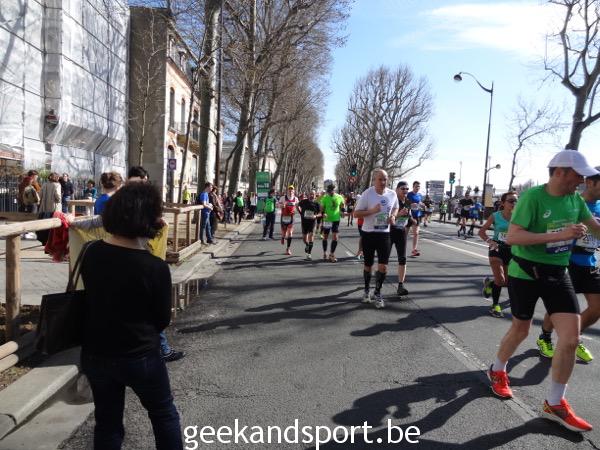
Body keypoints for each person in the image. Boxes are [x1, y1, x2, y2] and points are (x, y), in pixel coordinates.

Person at [487, 149, 600, 433]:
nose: (582, 181)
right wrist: (560, 235)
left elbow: (595, 228)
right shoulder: (533, 198)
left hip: (558, 273)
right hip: (525, 273)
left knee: (571, 339)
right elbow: (513, 237)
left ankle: (555, 402)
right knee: (521, 330)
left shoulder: (575, 200)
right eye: (579, 175)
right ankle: (498, 369)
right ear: (560, 172)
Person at [80, 182, 183, 449]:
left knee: (107, 423)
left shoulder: (91, 252)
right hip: (140, 354)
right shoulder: (154, 267)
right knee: (163, 414)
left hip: (96, 352)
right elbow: (162, 319)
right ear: (149, 218)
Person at [535, 170, 600, 363]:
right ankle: (545, 337)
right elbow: (552, 228)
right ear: (590, 183)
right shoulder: (572, 202)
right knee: (559, 307)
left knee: (597, 308)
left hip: (590, 262)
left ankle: (573, 337)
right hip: (567, 261)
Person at [126, 166, 184, 363]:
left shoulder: (96, 252)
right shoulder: (127, 200)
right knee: (147, 305)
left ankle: (158, 347)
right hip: (138, 258)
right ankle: (160, 349)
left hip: (133, 256)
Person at [354, 168, 399, 309]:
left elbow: (395, 207)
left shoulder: (392, 194)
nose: (383, 182)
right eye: (380, 179)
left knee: (383, 266)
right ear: (374, 180)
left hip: (384, 234)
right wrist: (372, 211)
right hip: (369, 233)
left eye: (385, 179)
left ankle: (378, 292)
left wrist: (393, 216)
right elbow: (356, 214)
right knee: (368, 265)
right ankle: (367, 290)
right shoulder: (367, 194)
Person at [478, 191, 518, 317]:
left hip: (512, 250)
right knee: (500, 280)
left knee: (506, 281)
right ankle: (495, 305)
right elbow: (481, 232)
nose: (514, 203)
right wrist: (490, 241)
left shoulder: (519, 217)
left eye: (516, 201)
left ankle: (490, 284)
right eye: (511, 201)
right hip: (497, 249)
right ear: (503, 203)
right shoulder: (495, 216)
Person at [392, 181, 414, 297]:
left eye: (407, 189)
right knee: (383, 260)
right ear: (397, 189)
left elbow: (408, 218)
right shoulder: (392, 200)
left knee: (402, 259)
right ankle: (378, 282)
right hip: (389, 232)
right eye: (403, 188)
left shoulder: (408, 202)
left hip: (401, 233)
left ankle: (401, 286)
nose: (405, 191)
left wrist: (412, 220)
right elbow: (385, 217)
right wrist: (398, 215)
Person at [320, 184, 345, 262]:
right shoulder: (325, 198)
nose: (330, 192)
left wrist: (342, 211)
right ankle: (325, 252)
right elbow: (322, 208)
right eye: (329, 191)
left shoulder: (339, 197)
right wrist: (323, 213)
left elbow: (342, 205)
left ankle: (331, 254)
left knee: (335, 237)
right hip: (327, 220)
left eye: (331, 191)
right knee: (325, 237)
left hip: (336, 220)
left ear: (334, 190)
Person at [298, 190, 321, 260]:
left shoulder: (317, 204)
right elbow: (297, 205)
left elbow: (320, 213)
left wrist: (315, 216)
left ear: (315, 195)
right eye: (310, 194)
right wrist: (300, 212)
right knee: (304, 239)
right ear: (308, 195)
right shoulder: (304, 201)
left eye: (313, 194)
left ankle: (309, 254)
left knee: (311, 236)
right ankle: (307, 245)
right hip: (304, 222)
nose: (312, 195)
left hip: (312, 222)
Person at [279, 185, 299, 255]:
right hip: (284, 217)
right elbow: (278, 205)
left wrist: (299, 212)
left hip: (291, 217)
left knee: (290, 233)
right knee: (284, 232)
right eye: (289, 190)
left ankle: (288, 249)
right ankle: (283, 237)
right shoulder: (283, 198)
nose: (290, 191)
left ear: (294, 191)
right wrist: (282, 205)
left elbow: (298, 207)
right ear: (287, 191)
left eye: (292, 190)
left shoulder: (296, 199)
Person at [407, 181, 423, 256]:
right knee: (404, 234)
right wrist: (411, 205)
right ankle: (401, 248)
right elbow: (405, 203)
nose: (417, 188)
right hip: (408, 215)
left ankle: (414, 250)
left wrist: (422, 205)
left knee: (416, 233)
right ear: (413, 187)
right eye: (416, 186)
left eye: (418, 186)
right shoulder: (409, 194)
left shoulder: (419, 195)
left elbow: (419, 203)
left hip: (416, 215)